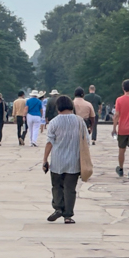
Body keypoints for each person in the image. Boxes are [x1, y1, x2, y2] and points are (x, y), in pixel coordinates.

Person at [42, 96, 90, 224]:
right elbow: (87, 141)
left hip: (57, 161)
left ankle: (58, 207)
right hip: (74, 161)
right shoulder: (80, 121)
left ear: (58, 107)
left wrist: (45, 159)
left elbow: (49, 142)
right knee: (70, 188)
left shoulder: (54, 122)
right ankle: (68, 215)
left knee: (56, 186)